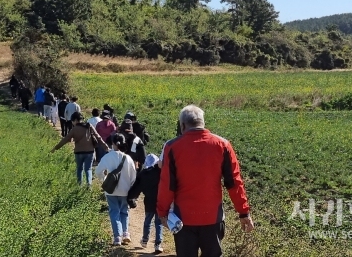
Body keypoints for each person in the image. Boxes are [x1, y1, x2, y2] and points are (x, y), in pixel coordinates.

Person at [157, 105, 254, 257]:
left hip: (183, 220)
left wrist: (162, 212)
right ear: (202, 123)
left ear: (182, 125)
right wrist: (244, 213)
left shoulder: (172, 147)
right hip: (213, 218)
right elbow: (234, 182)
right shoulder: (223, 145)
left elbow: (167, 184)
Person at [95, 133, 137, 246]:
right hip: (125, 190)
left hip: (111, 191)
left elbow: (97, 172)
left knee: (114, 212)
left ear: (113, 143)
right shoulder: (128, 158)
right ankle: (126, 234)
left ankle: (117, 237)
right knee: (124, 212)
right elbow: (133, 177)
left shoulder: (107, 157)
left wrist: (104, 180)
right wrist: (130, 187)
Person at [51, 112, 108, 186]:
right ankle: (89, 185)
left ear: (75, 120)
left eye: (72, 121)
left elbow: (65, 139)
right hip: (90, 152)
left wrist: (56, 148)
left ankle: (79, 186)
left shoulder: (74, 129)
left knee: (79, 169)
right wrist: (105, 147)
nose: (72, 123)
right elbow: (98, 137)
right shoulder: (89, 126)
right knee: (88, 169)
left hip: (79, 152)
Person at [127, 154, 163, 253]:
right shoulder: (161, 172)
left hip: (149, 202)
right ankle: (158, 244)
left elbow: (136, 188)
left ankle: (144, 240)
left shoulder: (143, 174)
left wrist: (130, 198)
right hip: (160, 201)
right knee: (158, 223)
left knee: (147, 222)